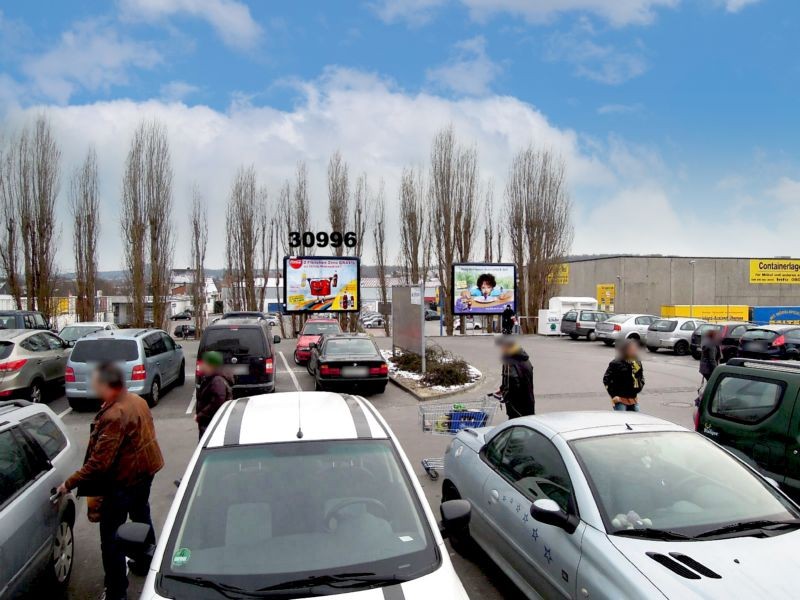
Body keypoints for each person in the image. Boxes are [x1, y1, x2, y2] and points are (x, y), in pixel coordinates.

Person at [57, 362, 164, 600]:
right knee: (141, 516)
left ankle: (117, 592)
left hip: (124, 482)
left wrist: (69, 483)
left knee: (112, 538)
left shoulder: (115, 415)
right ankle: (146, 561)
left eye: (97, 384)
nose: (95, 389)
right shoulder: (137, 401)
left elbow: (99, 464)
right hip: (145, 472)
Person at [195, 350, 233, 439]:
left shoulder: (217, 381)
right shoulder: (211, 378)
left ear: (211, 365)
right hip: (209, 424)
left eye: (204, 363)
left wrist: (201, 415)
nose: (202, 365)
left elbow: (217, 402)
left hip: (211, 425)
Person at [495, 335, 535, 418]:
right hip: (528, 401)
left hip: (516, 406)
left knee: (517, 427)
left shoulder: (510, 363)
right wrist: (502, 388)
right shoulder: (524, 359)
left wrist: (505, 395)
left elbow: (513, 384)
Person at [603, 339, 645, 412]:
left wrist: (640, 386)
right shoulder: (616, 363)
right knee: (622, 420)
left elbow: (640, 376)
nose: (634, 350)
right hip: (620, 399)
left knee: (636, 420)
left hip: (633, 399)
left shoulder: (637, 362)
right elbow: (606, 380)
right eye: (632, 349)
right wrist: (614, 396)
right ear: (625, 350)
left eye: (635, 348)